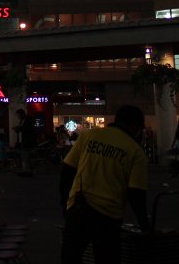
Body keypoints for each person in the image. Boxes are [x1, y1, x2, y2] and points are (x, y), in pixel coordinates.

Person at [60, 105, 151, 264]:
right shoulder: (136, 152)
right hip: (109, 216)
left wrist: (65, 205)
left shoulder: (89, 135)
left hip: (79, 207)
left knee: (71, 257)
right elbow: (136, 194)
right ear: (135, 126)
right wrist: (145, 225)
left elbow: (67, 171)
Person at [13, 108, 37, 176]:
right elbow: (22, 130)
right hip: (23, 141)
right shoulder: (21, 121)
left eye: (18, 115)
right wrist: (17, 129)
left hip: (28, 141)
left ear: (22, 114)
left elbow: (28, 129)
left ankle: (27, 171)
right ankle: (26, 170)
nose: (18, 116)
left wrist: (19, 128)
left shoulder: (28, 119)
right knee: (24, 156)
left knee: (26, 156)